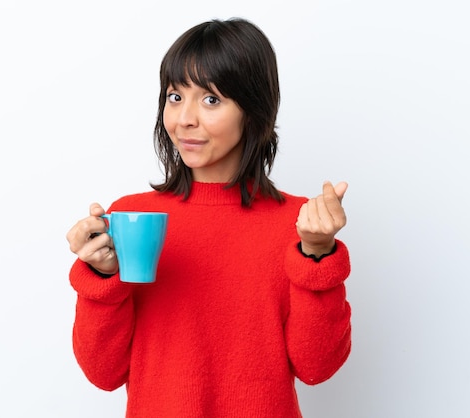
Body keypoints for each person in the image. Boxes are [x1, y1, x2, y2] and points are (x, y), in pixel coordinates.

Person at [66, 17, 351, 418]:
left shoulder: (299, 223)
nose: (184, 119)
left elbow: (317, 367)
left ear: (253, 109)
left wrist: (318, 255)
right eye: (175, 97)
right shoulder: (133, 218)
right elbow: (104, 372)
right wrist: (100, 276)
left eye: (211, 99)